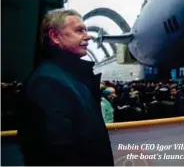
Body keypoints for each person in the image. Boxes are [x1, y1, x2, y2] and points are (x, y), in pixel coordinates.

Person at [17, 9, 115, 166]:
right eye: (79, 30)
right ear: (55, 36)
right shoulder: (47, 82)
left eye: (86, 30)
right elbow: (56, 154)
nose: (88, 36)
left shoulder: (68, 79)